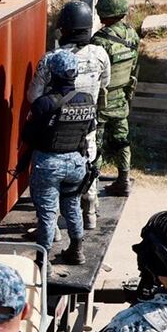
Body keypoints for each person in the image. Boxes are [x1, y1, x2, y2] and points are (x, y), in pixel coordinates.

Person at [28, 0, 110, 230]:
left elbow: (33, 96)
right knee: (88, 174)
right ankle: (90, 215)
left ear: (65, 29)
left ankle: (51, 229)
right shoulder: (101, 54)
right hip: (86, 127)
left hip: (55, 131)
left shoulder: (51, 58)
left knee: (49, 186)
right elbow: (106, 84)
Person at [22, 50, 97, 265]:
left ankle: (42, 263)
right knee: (72, 206)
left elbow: (27, 135)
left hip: (48, 165)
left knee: (47, 214)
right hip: (76, 163)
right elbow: (89, 129)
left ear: (52, 74)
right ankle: (76, 250)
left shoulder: (44, 103)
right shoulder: (87, 100)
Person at [90, 0, 140, 196]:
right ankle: (124, 179)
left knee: (96, 143)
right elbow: (134, 66)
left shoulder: (99, 41)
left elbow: (94, 74)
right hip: (121, 99)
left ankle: (91, 185)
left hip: (101, 102)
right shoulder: (132, 35)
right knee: (122, 140)